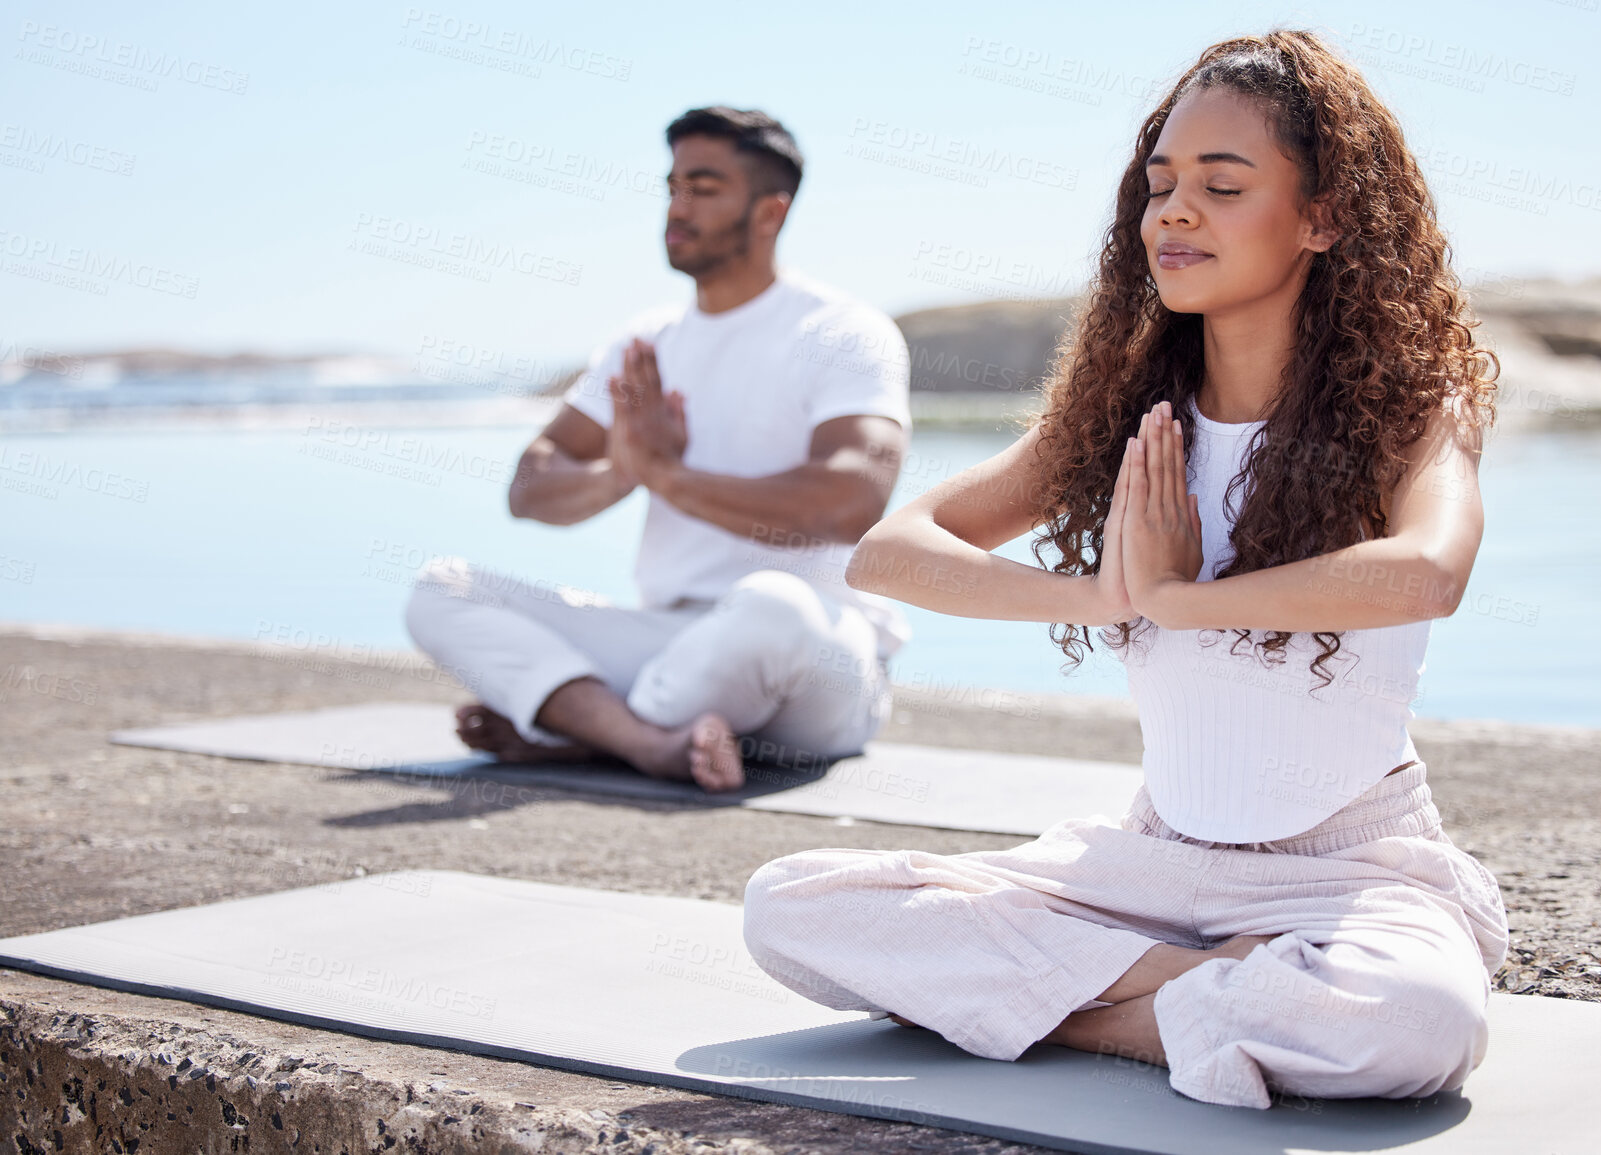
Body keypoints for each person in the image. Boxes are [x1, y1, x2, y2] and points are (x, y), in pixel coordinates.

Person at [742, 30, 1510, 1110]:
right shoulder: (1126, 417)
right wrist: (1104, 595)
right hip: (1150, 865)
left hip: (1349, 870)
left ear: (1326, 216)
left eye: (1222, 185)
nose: (1174, 213)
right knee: (792, 906)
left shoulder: (1415, 411)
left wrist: (1184, 603)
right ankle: (1203, 1000)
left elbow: (1428, 571)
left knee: (1416, 1024)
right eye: (1159, 186)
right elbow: (890, 550)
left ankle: (1078, 1012)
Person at [406, 106, 913, 793]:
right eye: (672, 186)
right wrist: (623, 471)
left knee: (772, 602)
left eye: (703, 188)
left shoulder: (844, 332)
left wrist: (668, 476)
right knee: (444, 588)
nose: (677, 207)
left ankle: (582, 735)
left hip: (816, 658)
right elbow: (530, 487)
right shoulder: (645, 341)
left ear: (770, 212)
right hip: (670, 641)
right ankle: (649, 742)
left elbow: (851, 499)